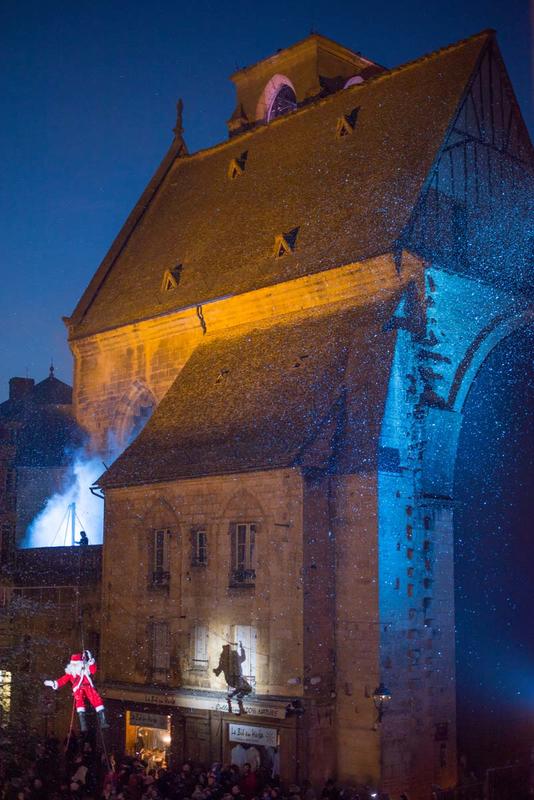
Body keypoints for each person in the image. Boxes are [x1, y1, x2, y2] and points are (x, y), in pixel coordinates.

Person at [43, 651, 108, 732]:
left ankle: (103, 721)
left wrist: (91, 662)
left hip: (88, 686)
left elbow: (93, 671)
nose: (74, 666)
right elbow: (63, 680)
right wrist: (54, 683)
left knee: (96, 699)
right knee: (79, 702)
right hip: (78, 688)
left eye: (76, 664)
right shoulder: (71, 673)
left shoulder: (85, 669)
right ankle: (83, 725)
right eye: (73, 664)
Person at [213, 642, 252, 714]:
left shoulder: (226, 661)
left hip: (235, 680)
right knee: (247, 688)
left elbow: (218, 672)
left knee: (243, 687)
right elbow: (243, 657)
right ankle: (237, 696)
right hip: (233, 680)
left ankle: (231, 695)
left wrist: (216, 670)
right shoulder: (231, 659)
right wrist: (242, 648)